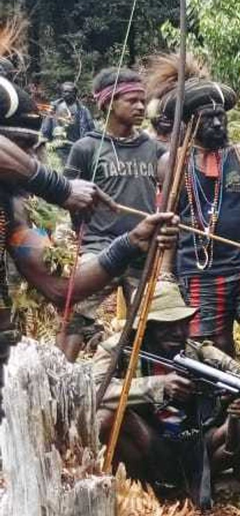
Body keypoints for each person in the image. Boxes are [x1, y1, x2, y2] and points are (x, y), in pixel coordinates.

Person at [0, 71, 174, 422]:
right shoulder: (83, 150)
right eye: (25, 149)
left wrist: (131, 242)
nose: (36, 157)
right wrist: (60, 189)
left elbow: (61, 288)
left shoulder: (12, 214)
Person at [94, 283, 240, 505]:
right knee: (106, 418)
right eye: (167, 327)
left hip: (199, 444)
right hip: (149, 442)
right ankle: (141, 489)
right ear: (145, 327)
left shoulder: (200, 354)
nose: (178, 333)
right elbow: (95, 391)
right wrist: (156, 386)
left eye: (182, 325)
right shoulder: (116, 350)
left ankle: (199, 484)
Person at [161, 77, 240, 375]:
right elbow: (167, 223)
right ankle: (234, 416)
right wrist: (166, 273)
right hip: (197, 271)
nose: (217, 124)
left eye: (221, 116)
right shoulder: (172, 164)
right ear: (190, 123)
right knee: (216, 348)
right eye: (208, 119)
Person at [60, 67, 166, 360]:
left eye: (143, 101)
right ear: (107, 103)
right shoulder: (86, 147)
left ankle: (146, 393)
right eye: (131, 100)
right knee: (74, 317)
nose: (141, 107)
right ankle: (60, 389)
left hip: (143, 252)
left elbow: (170, 187)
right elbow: (68, 196)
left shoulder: (154, 148)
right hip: (99, 248)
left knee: (156, 325)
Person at [40, 81, 95, 163]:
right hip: (58, 149)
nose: (67, 94)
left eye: (70, 92)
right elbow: (45, 129)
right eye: (64, 91)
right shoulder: (54, 109)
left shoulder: (83, 110)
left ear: (75, 94)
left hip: (77, 149)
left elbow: (91, 130)